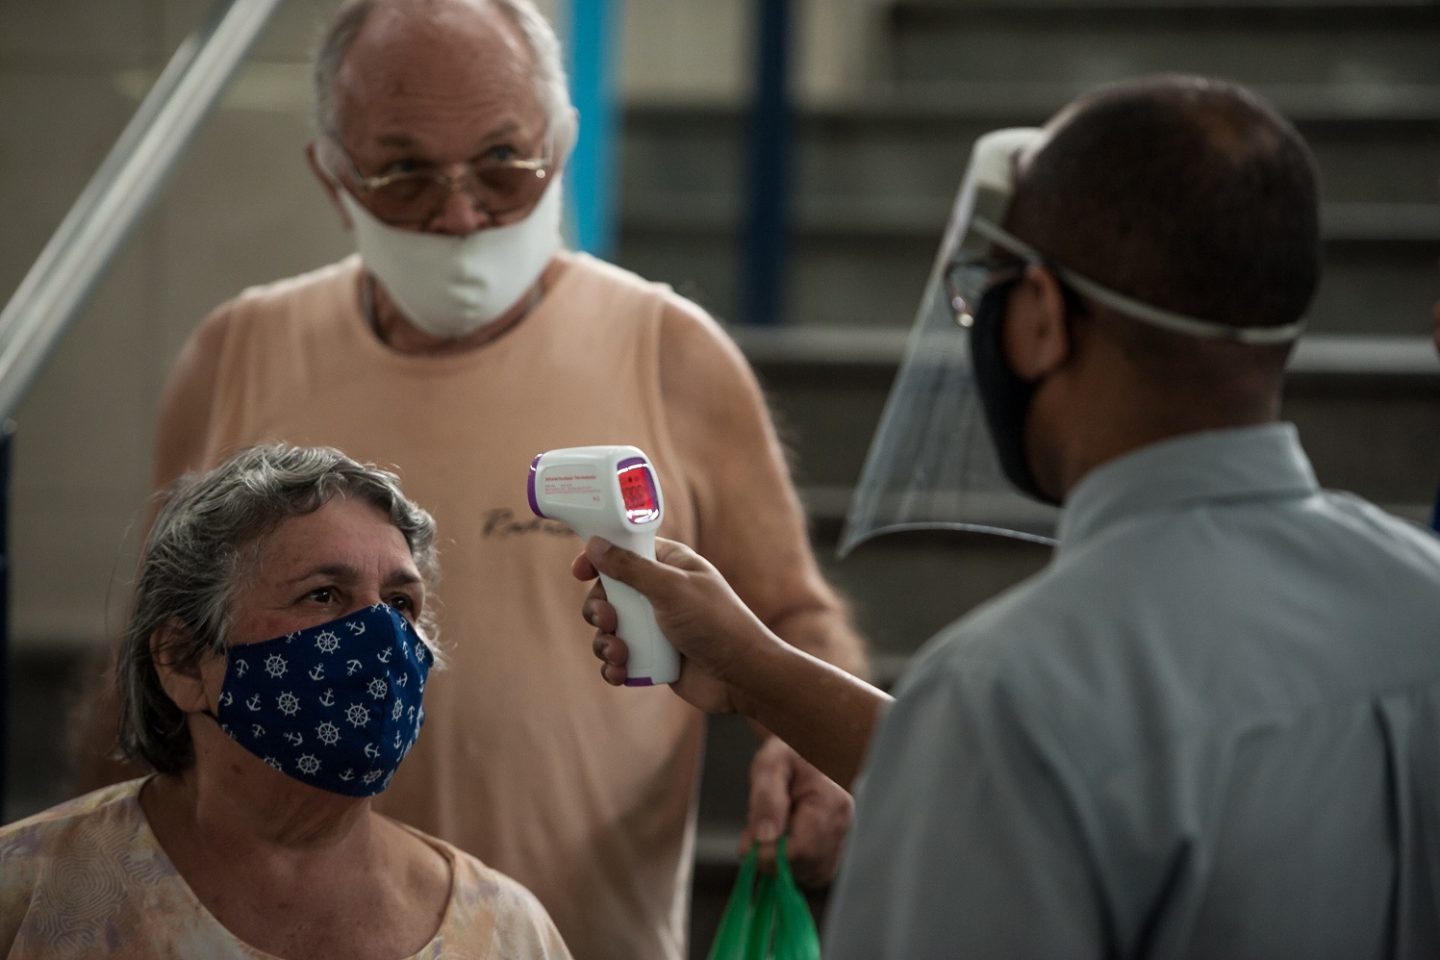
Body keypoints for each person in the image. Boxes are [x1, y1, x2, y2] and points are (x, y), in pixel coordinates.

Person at [575, 74, 1440, 957]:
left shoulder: (1007, 694)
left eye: (986, 293)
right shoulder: (1421, 600)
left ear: (1039, 321)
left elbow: (1030, 759)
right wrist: (759, 668)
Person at [73, 1, 866, 956]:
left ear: (561, 146)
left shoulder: (671, 353)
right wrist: (93, 880)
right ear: (333, 175)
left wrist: (809, 742)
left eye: (504, 165)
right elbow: (147, 661)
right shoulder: (236, 354)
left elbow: (791, 612)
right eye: (404, 172)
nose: (459, 214)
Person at [3, 445, 570, 958]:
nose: (381, 637)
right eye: (323, 595)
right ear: (182, 661)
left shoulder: (505, 932)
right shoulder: (27, 894)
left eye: (400, 603)